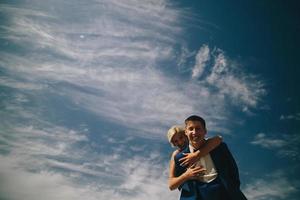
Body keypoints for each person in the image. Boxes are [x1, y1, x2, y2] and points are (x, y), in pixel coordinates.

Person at [174, 115, 247, 200]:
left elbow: (233, 170)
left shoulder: (220, 147)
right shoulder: (179, 157)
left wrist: (232, 188)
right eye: (191, 129)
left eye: (198, 128)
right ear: (186, 132)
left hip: (226, 194)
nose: (194, 132)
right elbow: (179, 185)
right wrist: (186, 176)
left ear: (205, 131)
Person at [167, 125, 222, 190]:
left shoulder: (201, 142)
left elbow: (218, 138)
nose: (180, 142)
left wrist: (196, 155)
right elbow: (171, 185)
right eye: (175, 141)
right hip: (192, 192)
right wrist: (186, 175)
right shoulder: (176, 154)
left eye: (181, 137)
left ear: (186, 134)